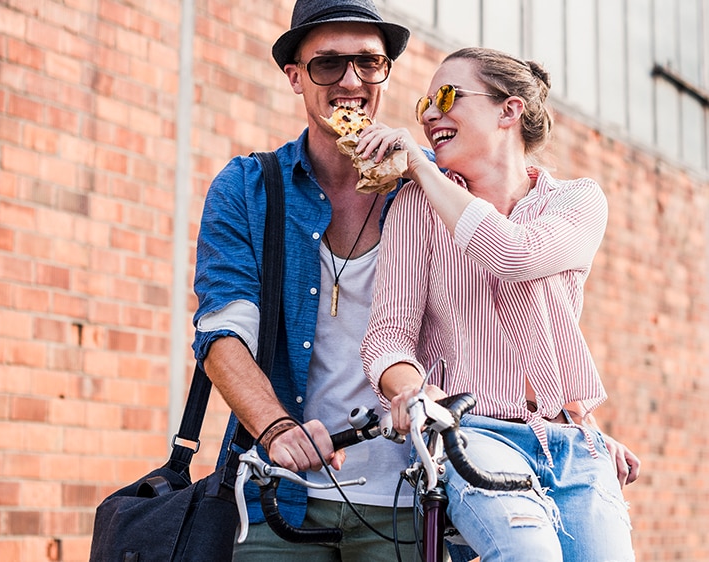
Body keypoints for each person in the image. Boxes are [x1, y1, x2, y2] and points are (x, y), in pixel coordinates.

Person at [358, 47, 641, 562]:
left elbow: (514, 254)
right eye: (424, 104)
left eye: (445, 96)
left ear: (508, 110)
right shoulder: (415, 210)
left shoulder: (577, 201)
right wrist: (415, 392)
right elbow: (387, 337)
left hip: (572, 443)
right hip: (474, 436)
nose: (427, 115)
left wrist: (421, 170)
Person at [192, 0, 420, 559]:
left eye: (369, 62)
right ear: (294, 76)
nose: (351, 81)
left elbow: (508, 299)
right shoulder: (247, 189)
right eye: (328, 65)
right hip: (280, 495)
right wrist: (277, 431)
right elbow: (223, 336)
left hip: (413, 498)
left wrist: (571, 422)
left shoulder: (426, 188)